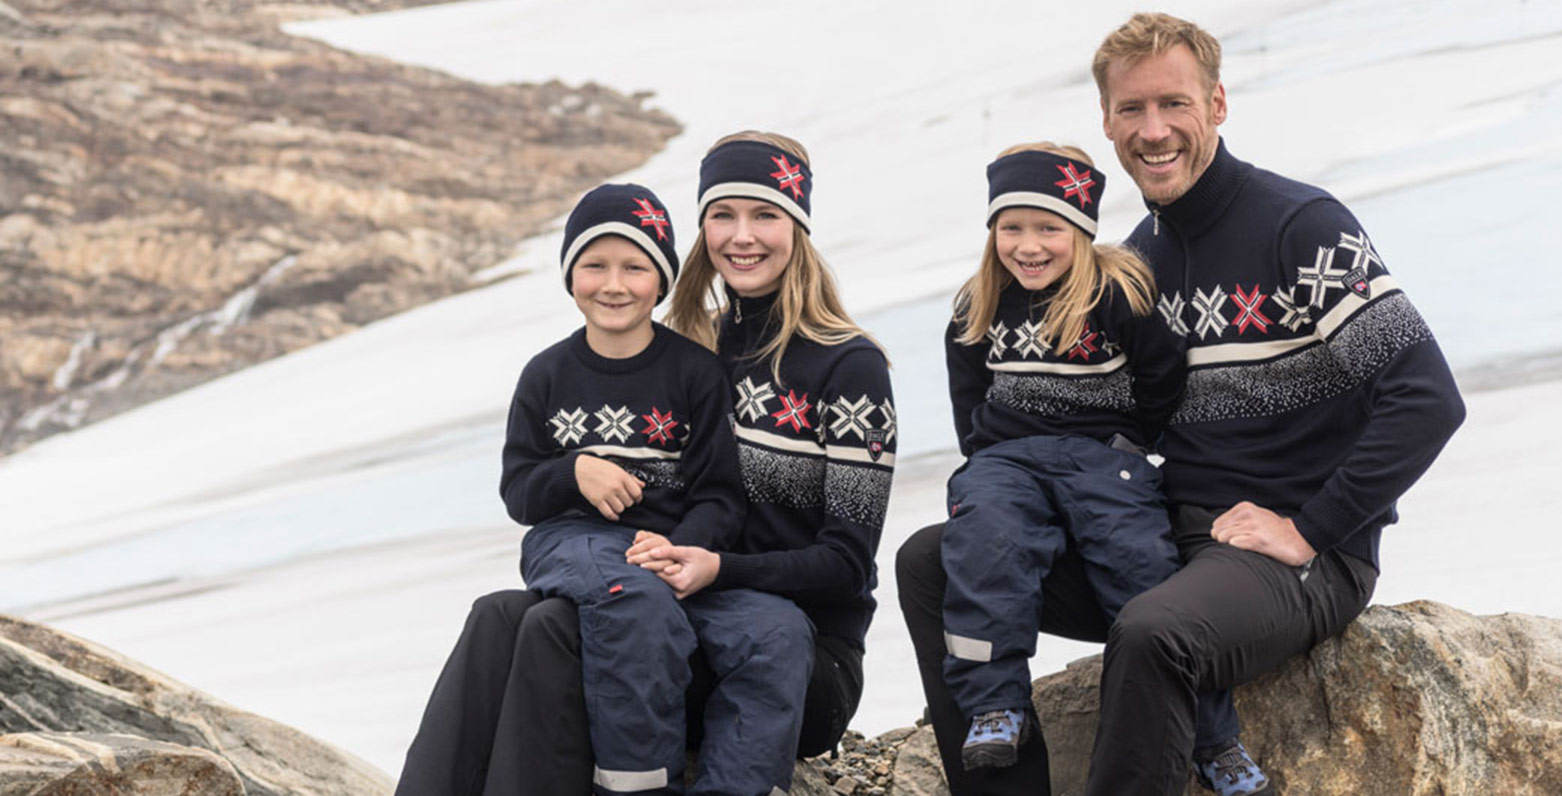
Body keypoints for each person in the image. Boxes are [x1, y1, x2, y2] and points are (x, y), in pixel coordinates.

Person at [1076, 11, 1467, 796]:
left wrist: (1311, 529)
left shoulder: (1301, 226)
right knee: (938, 567)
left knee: (1155, 634)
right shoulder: (1137, 262)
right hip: (1173, 540)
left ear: (1217, 105)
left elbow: (1428, 399)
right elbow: (1119, 425)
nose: (1154, 131)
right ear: (1108, 123)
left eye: (1174, 104)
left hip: (1301, 559)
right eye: (1132, 110)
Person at [398, 182, 813, 796]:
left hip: (669, 555)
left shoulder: (695, 373)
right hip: (574, 543)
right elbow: (519, 492)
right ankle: (636, 784)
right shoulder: (546, 375)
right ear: (570, 277)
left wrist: (683, 548)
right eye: (594, 265)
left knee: (777, 629)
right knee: (631, 594)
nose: (613, 284)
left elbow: (721, 494)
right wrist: (573, 472)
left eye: (634, 266)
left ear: (662, 279)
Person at [896, 144, 1254, 794]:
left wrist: (1126, 443)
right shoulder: (976, 307)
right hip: (1005, 461)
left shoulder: (1118, 294)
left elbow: (1161, 377)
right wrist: (988, 466)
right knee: (984, 551)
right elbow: (967, 397)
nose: (1028, 246)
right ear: (992, 231)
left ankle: (1213, 738)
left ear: (1082, 230)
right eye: (1012, 227)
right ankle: (994, 705)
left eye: (1048, 228)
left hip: (1101, 461)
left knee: (1144, 572)